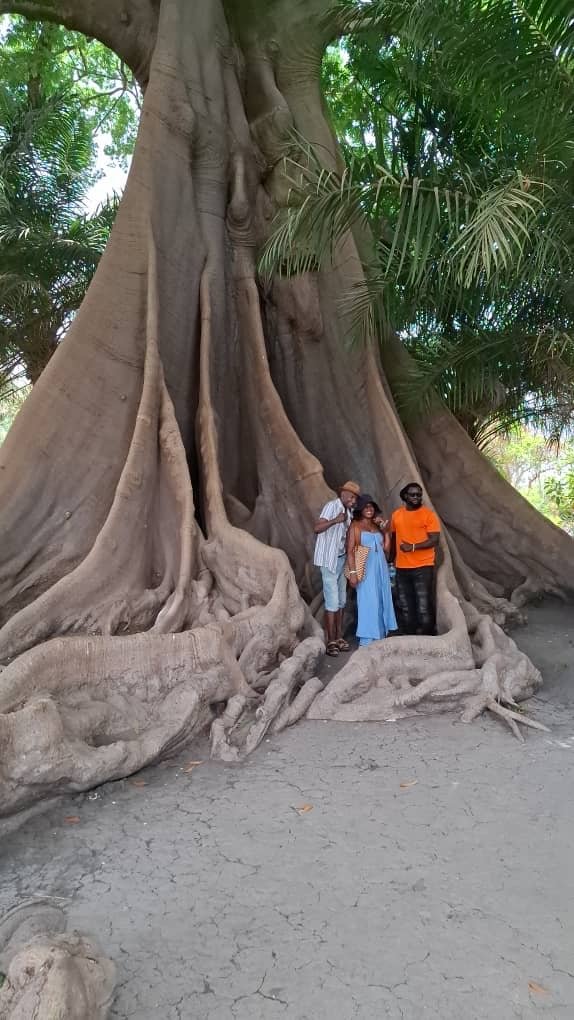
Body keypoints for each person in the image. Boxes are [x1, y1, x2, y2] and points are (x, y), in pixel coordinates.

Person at [313, 481, 361, 657]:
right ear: (342, 493)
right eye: (350, 495)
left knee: (341, 600)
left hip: (341, 561)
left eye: (354, 497)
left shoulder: (348, 513)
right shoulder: (332, 507)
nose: (352, 499)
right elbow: (317, 528)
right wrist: (335, 521)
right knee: (332, 600)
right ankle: (330, 640)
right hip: (328, 560)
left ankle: (339, 636)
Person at [346, 494, 397, 647]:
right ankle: (367, 639)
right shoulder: (355, 526)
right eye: (366, 506)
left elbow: (386, 550)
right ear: (360, 509)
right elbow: (350, 551)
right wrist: (353, 574)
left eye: (371, 506)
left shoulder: (376, 527)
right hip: (365, 569)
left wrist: (386, 531)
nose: (369, 509)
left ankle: (380, 635)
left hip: (380, 567)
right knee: (368, 601)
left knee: (382, 599)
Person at [390, 482, 441, 635]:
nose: (416, 497)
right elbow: (394, 537)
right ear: (405, 496)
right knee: (405, 605)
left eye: (419, 494)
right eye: (413, 494)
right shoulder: (396, 515)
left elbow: (434, 540)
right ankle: (410, 635)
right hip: (401, 567)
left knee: (423, 605)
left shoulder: (428, 515)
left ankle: (427, 636)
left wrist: (412, 547)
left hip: (423, 566)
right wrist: (391, 558)